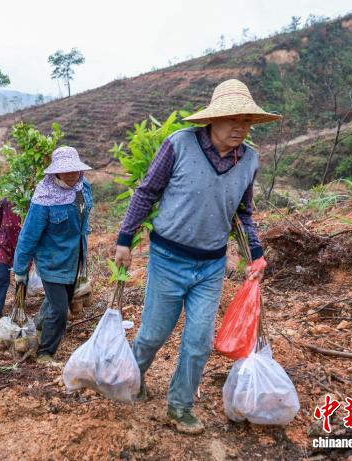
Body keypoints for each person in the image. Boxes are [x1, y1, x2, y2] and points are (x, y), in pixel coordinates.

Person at [114, 79, 277, 434]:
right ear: (213, 118)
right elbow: (146, 192)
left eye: (246, 121)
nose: (240, 127)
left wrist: (255, 253)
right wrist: (124, 239)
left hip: (211, 266)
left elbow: (243, 212)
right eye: (233, 119)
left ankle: (180, 405)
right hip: (168, 259)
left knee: (199, 341)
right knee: (153, 334)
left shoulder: (249, 160)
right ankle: (133, 377)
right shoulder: (179, 145)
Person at [14, 146, 94, 365]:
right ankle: (45, 353)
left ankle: (39, 330)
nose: (71, 175)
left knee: (57, 302)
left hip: (75, 257)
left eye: (74, 169)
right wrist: (20, 270)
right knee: (59, 309)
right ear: (55, 172)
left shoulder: (83, 187)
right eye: (65, 171)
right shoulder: (44, 200)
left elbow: (85, 215)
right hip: (51, 261)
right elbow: (28, 236)